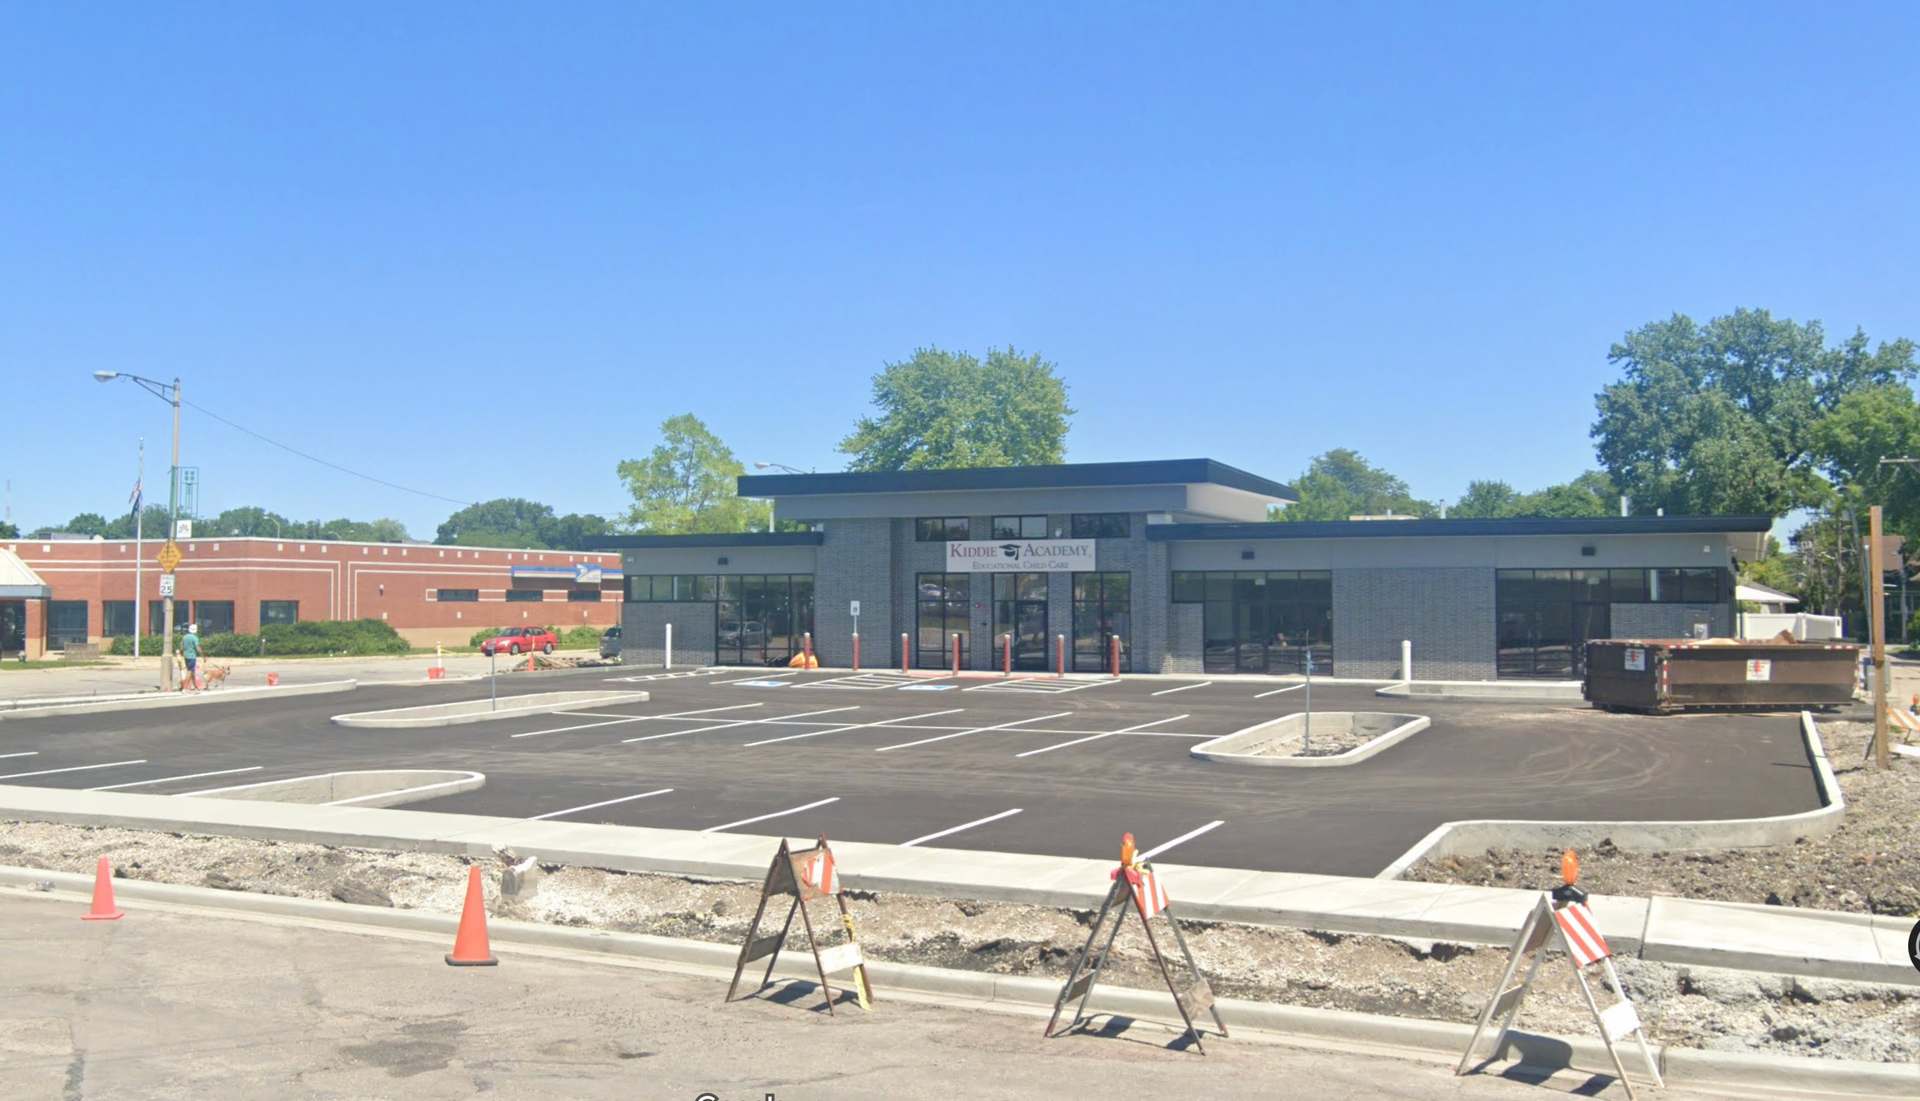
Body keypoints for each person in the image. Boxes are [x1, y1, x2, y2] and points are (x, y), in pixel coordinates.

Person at [180, 623, 202, 691]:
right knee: (190, 671)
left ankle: (196, 687)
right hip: (192, 656)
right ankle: (184, 687)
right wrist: (203, 656)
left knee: (191, 671)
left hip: (186, 655)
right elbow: (198, 647)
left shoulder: (185, 637)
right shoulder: (195, 638)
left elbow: (182, 647)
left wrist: (181, 653)